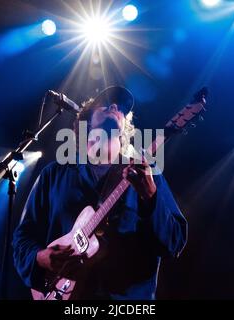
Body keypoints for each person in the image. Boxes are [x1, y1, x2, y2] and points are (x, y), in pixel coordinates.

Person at [12, 86, 187, 299]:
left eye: (121, 109)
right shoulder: (54, 174)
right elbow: (23, 238)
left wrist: (151, 198)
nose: (114, 106)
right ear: (85, 120)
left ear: (124, 129)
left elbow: (174, 243)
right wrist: (40, 258)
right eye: (106, 102)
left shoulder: (146, 174)